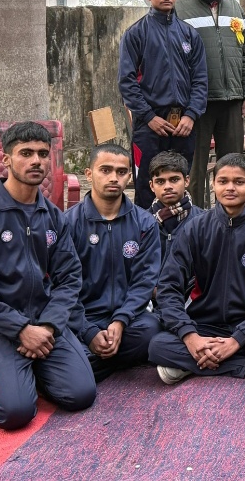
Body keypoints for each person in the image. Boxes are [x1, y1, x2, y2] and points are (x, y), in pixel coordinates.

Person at [0, 123, 96, 430]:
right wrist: (20, 329)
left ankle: (24, 369)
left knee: (81, 394)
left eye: (43, 154)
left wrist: (48, 326)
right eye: (26, 153)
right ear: (6, 159)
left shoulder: (53, 216)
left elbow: (70, 276)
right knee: (14, 414)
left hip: (42, 321)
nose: (36, 161)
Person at [149, 154, 245, 384]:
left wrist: (238, 339)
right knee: (157, 345)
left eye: (239, 182)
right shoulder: (195, 228)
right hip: (203, 324)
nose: (230, 188)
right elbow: (169, 287)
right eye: (223, 181)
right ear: (213, 184)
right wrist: (190, 337)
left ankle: (192, 364)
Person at [64, 144, 162, 382]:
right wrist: (88, 331)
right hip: (80, 317)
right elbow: (62, 284)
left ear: (129, 176)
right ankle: (98, 361)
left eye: (121, 172)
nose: (114, 178)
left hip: (129, 319)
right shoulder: (67, 223)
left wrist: (120, 321)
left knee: (152, 333)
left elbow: (144, 281)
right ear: (89, 174)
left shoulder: (145, 223)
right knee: (57, 339)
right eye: (105, 170)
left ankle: (86, 365)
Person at [119, 0, 208, 209]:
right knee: (147, 186)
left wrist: (191, 115)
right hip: (149, 125)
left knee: (179, 184)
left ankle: (182, 229)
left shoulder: (189, 34)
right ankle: (147, 230)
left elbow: (200, 79)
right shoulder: (136, 33)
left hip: (183, 125)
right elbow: (127, 81)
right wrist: (149, 117)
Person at [175, 0, 245, 208]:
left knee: (232, 164)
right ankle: (196, 217)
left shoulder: (234, 6)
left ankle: (230, 215)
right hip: (196, 103)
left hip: (232, 99)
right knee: (195, 168)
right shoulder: (179, 7)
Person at [147, 150, 204, 260]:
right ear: (152, 186)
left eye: (174, 180)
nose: (168, 186)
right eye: (160, 181)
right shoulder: (141, 223)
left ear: (186, 181)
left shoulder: (203, 222)